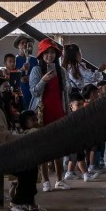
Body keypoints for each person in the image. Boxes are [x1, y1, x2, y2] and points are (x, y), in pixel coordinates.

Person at [0, 78, 45, 211]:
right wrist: (25, 138)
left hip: (1, 152)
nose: (8, 91)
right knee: (28, 165)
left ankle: (26, 201)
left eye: (9, 88)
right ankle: (18, 201)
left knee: (31, 162)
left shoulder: (0, 108)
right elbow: (4, 137)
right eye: (5, 88)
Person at [29, 39, 69, 192]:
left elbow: (65, 93)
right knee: (43, 148)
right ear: (41, 55)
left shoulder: (62, 71)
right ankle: (46, 180)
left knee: (58, 147)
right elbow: (34, 92)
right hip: (42, 113)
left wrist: (67, 112)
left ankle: (60, 179)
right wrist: (43, 81)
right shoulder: (36, 70)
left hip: (59, 111)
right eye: (46, 53)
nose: (50, 56)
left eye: (52, 52)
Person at [13, 36, 38, 108]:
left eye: (26, 43)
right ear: (18, 46)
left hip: (32, 90)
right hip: (20, 91)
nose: (24, 44)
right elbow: (12, 77)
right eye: (22, 43)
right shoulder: (14, 60)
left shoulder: (34, 60)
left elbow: (38, 74)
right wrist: (21, 70)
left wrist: (30, 77)